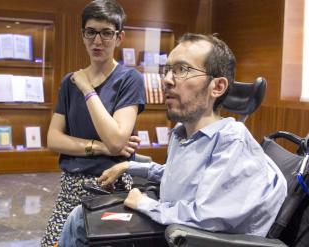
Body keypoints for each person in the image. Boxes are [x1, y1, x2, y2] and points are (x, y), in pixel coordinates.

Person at [58, 33, 288, 246]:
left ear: (217, 86)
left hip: (197, 240)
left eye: (182, 70)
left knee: (81, 222)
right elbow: (179, 176)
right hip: (174, 229)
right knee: (83, 216)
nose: (166, 80)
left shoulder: (232, 142)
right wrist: (130, 166)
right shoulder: (183, 133)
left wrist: (145, 204)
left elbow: (207, 218)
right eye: (167, 70)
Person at [40, 0, 146, 246]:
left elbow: (117, 140)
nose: (98, 41)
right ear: (83, 34)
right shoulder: (69, 82)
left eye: (107, 33)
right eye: (91, 32)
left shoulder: (129, 79)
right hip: (71, 185)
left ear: (119, 37)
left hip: (111, 185)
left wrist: (88, 89)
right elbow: (53, 139)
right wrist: (100, 147)